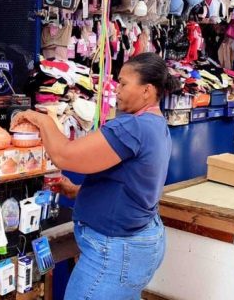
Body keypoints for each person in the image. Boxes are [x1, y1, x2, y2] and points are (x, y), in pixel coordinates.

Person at [11, 53, 177, 299]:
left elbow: (64, 155)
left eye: (123, 83)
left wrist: (41, 119)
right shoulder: (155, 124)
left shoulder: (132, 127)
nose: (116, 90)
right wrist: (79, 191)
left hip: (115, 252)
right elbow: (132, 184)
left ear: (147, 90)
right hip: (138, 242)